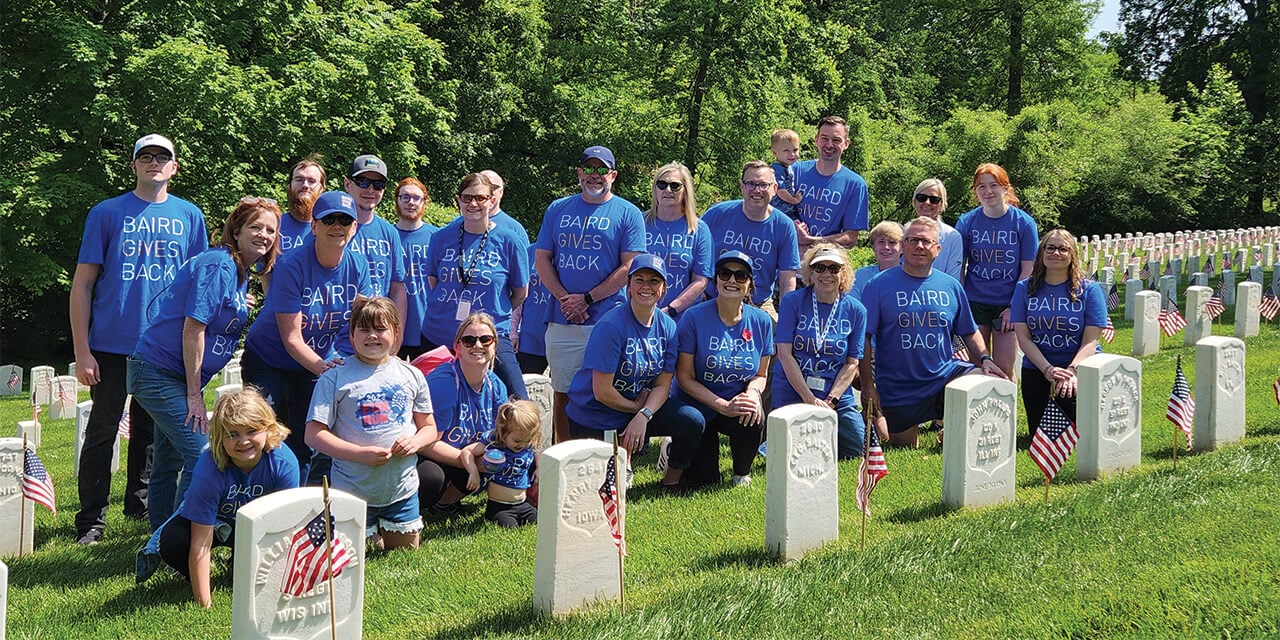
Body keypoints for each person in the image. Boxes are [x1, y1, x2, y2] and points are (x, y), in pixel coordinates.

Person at [71, 133, 209, 545]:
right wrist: (82, 350)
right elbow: (82, 285)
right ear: (133, 166)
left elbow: (201, 280)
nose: (153, 163)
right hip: (111, 345)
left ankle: (140, 503)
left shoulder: (190, 216)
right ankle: (91, 520)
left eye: (162, 157)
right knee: (102, 432)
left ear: (174, 167)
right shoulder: (107, 213)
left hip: (163, 348)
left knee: (152, 432)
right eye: (144, 157)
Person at [130, 197, 280, 531]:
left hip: (175, 375)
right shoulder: (220, 264)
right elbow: (194, 328)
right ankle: (177, 539)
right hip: (159, 371)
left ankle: (162, 534)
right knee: (202, 456)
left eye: (271, 229)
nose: (264, 235)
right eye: (255, 226)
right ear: (236, 230)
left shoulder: (238, 273)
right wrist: (194, 394)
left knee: (167, 463)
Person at [241, 191, 372, 483]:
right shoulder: (291, 265)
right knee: (261, 431)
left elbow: (363, 324)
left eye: (345, 220)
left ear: (354, 228)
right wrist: (324, 369)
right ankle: (249, 500)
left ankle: (298, 502)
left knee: (307, 435)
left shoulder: (358, 266)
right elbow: (291, 338)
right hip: (269, 358)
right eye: (329, 220)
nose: (337, 226)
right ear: (314, 226)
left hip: (316, 361)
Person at [859, 217, 1008, 448]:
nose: (920, 246)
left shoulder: (950, 286)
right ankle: (879, 419)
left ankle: (952, 434)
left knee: (985, 380)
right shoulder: (878, 285)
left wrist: (986, 359)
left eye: (926, 242)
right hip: (900, 387)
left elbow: (969, 331)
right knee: (901, 446)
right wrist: (868, 386)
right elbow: (864, 338)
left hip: (943, 376)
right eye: (913, 240)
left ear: (937, 249)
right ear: (903, 246)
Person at [146, 388, 298, 608]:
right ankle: (200, 576)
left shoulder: (283, 464)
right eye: (233, 434)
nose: (243, 441)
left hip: (259, 528)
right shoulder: (210, 469)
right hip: (215, 522)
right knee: (174, 540)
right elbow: (200, 542)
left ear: (268, 429)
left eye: (252, 430)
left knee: (248, 573)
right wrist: (204, 604)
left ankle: (241, 564)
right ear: (220, 437)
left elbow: (285, 529)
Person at [306, 297, 437, 551]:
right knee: (353, 562)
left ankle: (384, 530)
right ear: (352, 335)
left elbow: (430, 428)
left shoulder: (411, 375)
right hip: (353, 490)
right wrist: (359, 454)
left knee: (405, 559)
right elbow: (313, 435)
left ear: (396, 332)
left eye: (380, 329)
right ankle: (370, 532)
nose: (372, 336)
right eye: (364, 329)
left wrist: (415, 441)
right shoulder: (335, 377)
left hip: (401, 490)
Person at [534, 145, 646, 443]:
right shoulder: (557, 208)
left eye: (602, 170)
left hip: (609, 319)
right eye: (589, 169)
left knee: (611, 390)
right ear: (579, 172)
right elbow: (543, 258)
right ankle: (564, 455)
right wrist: (564, 299)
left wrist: (587, 298)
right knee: (563, 391)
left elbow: (631, 264)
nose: (595, 176)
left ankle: (619, 459)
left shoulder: (628, 213)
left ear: (613, 175)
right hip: (562, 318)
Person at [565, 254, 704, 491]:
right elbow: (602, 391)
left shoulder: (668, 327)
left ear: (664, 289)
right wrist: (637, 411)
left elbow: (663, 384)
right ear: (628, 286)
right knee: (599, 490)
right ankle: (622, 459)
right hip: (595, 413)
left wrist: (644, 415)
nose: (646, 287)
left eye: (654, 281)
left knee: (691, 420)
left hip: (636, 407)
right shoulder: (612, 326)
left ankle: (671, 481)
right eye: (639, 280)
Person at [424, 173, 530, 398]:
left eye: (480, 198)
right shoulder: (441, 237)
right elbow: (434, 281)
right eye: (467, 197)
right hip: (440, 334)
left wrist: (490, 312)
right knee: (432, 403)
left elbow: (520, 292)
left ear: (492, 200)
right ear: (458, 200)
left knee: (519, 402)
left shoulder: (510, 240)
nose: (473, 204)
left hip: (489, 336)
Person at [676, 251, 774, 487]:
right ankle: (673, 449)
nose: (732, 280)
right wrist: (722, 406)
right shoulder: (693, 317)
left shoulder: (761, 321)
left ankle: (742, 473)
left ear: (750, 285)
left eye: (740, 276)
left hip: (736, 400)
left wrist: (752, 394)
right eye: (725, 273)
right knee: (703, 481)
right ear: (716, 280)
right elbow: (684, 377)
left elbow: (761, 375)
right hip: (698, 404)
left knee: (753, 410)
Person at [773, 244, 867, 459]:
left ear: (843, 273)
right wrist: (808, 397)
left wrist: (830, 401)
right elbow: (784, 353)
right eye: (819, 268)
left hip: (834, 392)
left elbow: (852, 362)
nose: (826, 274)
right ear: (810, 273)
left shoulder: (856, 310)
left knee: (857, 449)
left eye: (833, 269)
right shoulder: (793, 301)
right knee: (788, 453)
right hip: (793, 387)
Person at [1011, 229, 1106, 436]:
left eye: (1063, 249)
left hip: (1078, 368)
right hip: (1037, 368)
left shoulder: (1090, 290)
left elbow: (1090, 341)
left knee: (1076, 434)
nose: (1056, 253)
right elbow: (1023, 338)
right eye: (1050, 247)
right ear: (1041, 252)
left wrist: (1072, 371)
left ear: (1072, 254)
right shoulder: (1023, 289)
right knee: (1040, 436)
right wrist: (1047, 370)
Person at [417, 313, 509, 515]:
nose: (478, 345)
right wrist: (468, 461)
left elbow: (501, 436)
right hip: (431, 453)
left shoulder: (496, 386)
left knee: (501, 459)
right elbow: (425, 444)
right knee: (431, 478)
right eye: (469, 340)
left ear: (494, 345)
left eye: (485, 339)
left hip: (466, 451)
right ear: (457, 347)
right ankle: (407, 512)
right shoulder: (445, 382)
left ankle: (443, 505)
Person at [955, 163, 1039, 377]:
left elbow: (1028, 269)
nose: (988, 191)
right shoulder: (967, 222)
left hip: (1007, 303)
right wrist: (962, 304)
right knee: (978, 367)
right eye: (981, 187)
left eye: (993, 185)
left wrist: (1014, 306)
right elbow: (960, 266)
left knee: (1003, 369)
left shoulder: (1024, 223)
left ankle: (1005, 410)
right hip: (975, 301)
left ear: (1005, 187)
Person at [701, 161, 801, 318]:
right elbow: (693, 252)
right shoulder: (717, 214)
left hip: (758, 303)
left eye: (763, 185)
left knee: (778, 337)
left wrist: (785, 321)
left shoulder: (784, 226)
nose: (757, 190)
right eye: (751, 184)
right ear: (742, 187)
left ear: (774, 189)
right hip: (711, 298)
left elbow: (787, 279)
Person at [342, 154, 408, 337]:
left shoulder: (389, 232)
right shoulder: (333, 226)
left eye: (378, 184)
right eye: (363, 182)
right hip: (336, 335)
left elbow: (397, 288)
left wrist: (396, 336)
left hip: (376, 334)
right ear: (347, 184)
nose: (370, 189)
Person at [643, 162, 713, 317]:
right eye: (662, 184)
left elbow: (700, 281)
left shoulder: (699, 230)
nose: (668, 190)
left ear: (685, 190)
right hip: (638, 314)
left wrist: (669, 311)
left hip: (681, 317)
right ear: (655, 189)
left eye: (675, 186)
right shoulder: (639, 223)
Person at [459, 400, 541, 528]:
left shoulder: (526, 445)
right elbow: (466, 451)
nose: (523, 445)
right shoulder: (494, 444)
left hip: (522, 503)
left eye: (527, 440)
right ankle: (492, 516)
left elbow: (536, 451)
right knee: (509, 527)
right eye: (517, 440)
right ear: (503, 432)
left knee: (537, 520)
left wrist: (539, 468)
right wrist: (473, 472)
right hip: (500, 506)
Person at [791, 116, 870, 249]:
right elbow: (773, 209)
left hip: (827, 261)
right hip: (788, 255)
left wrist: (811, 241)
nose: (829, 145)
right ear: (816, 140)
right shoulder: (795, 171)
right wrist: (792, 224)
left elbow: (850, 238)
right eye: (824, 138)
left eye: (836, 140)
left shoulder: (855, 184)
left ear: (846, 144)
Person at [394, 177, 438, 360]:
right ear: (396, 200)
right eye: (405, 197)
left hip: (429, 327)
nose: (411, 202)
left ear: (424, 201)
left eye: (416, 198)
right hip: (394, 325)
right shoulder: (388, 235)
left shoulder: (437, 236)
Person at [913, 178, 962, 282]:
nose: (927, 202)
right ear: (914, 201)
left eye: (934, 200)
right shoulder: (901, 233)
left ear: (942, 204)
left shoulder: (952, 236)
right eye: (921, 198)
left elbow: (953, 280)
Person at [515, 244, 553, 374]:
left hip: (565, 339)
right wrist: (513, 332)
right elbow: (518, 295)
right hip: (530, 339)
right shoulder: (530, 252)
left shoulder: (574, 253)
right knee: (528, 388)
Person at [279, 154, 326, 254]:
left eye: (312, 181)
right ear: (290, 185)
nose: (305, 185)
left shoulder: (330, 227)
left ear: (321, 189)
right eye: (299, 179)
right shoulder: (273, 225)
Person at [851, 221, 904, 300]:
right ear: (873, 247)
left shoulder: (912, 275)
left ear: (903, 248)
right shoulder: (861, 276)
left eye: (892, 242)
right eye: (881, 242)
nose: (886, 247)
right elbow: (851, 307)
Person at [479, 169, 530, 243]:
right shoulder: (459, 224)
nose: (486, 191)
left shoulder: (514, 229)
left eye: (492, 187)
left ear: (501, 192)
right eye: (481, 186)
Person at [769, 129, 804, 221]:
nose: (792, 154)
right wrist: (794, 200)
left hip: (787, 209)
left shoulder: (787, 166)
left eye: (795, 150)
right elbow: (780, 191)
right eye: (786, 151)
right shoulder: (777, 169)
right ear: (774, 152)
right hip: (781, 210)